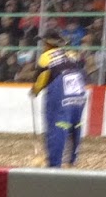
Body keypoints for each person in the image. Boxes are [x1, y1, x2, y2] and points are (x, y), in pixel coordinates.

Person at [30, 26, 87, 168]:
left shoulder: (46, 56)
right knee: (75, 124)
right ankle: (70, 161)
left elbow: (42, 78)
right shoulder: (72, 54)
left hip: (60, 90)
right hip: (78, 89)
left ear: (48, 43)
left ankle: (54, 163)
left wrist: (35, 90)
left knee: (57, 125)